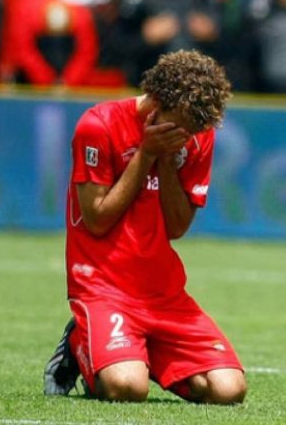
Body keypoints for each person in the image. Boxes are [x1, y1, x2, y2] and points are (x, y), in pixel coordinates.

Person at [41, 50, 247, 406]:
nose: (188, 136)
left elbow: (177, 228)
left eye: (194, 131)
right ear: (157, 103)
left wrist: (167, 161)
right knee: (126, 389)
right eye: (181, 126)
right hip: (104, 289)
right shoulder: (99, 125)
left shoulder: (196, 135)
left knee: (228, 390)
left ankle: (136, 352)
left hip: (163, 295)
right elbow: (97, 219)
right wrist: (146, 153)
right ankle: (80, 343)